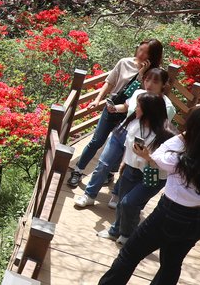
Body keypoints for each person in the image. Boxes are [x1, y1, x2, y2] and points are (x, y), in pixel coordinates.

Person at [80, 106, 200, 285]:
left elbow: (156, 156)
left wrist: (185, 137)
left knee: (130, 253)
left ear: (195, 131)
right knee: (172, 262)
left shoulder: (179, 159)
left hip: (169, 213)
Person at [74, 67, 175, 209]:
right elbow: (127, 107)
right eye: (147, 79)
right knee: (104, 163)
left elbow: (162, 129)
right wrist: (115, 108)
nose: (149, 84)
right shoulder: (138, 93)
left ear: (164, 84)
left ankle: (116, 195)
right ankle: (89, 194)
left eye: (155, 81)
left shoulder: (167, 106)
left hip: (142, 141)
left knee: (128, 168)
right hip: (122, 132)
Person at [69, 39, 164, 188]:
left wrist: (142, 74)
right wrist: (97, 99)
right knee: (97, 141)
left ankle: (110, 173)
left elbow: (143, 94)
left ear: (154, 56)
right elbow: (110, 82)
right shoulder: (124, 62)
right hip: (112, 108)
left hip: (132, 113)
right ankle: (78, 170)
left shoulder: (154, 73)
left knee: (122, 145)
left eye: (147, 53)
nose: (141, 54)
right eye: (140, 49)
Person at [94, 93, 173, 244]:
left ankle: (128, 235)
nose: (134, 109)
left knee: (129, 203)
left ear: (149, 110)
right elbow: (128, 147)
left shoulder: (167, 135)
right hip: (131, 169)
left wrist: (148, 157)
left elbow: (170, 163)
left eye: (138, 106)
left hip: (154, 175)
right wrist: (124, 162)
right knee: (122, 202)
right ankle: (115, 231)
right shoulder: (135, 124)